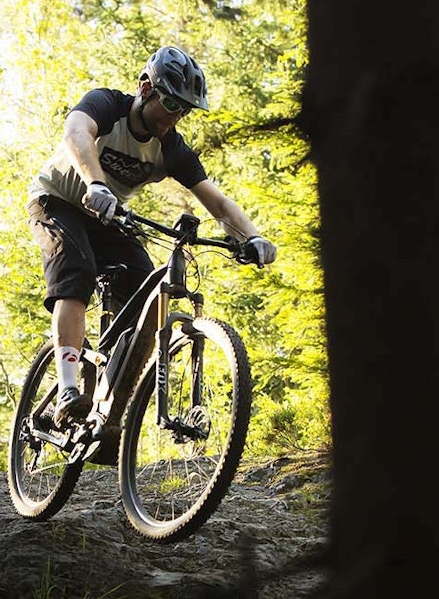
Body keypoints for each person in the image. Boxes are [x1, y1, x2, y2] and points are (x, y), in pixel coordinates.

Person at [27, 45, 277, 426]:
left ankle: (106, 396)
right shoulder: (107, 106)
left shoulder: (171, 148)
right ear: (146, 88)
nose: (176, 117)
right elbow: (76, 133)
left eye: (184, 110)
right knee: (75, 276)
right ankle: (67, 389)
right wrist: (95, 182)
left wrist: (252, 237)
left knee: (148, 296)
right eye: (172, 104)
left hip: (108, 217)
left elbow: (218, 203)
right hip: (57, 201)